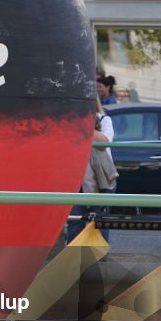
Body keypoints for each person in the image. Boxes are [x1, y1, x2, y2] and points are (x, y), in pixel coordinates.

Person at [67, 95, 116, 243]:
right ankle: (73, 258)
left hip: (102, 180)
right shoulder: (70, 121)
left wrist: (84, 126)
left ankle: (99, 260)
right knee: (75, 221)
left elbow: (105, 142)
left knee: (100, 221)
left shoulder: (104, 120)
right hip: (76, 179)